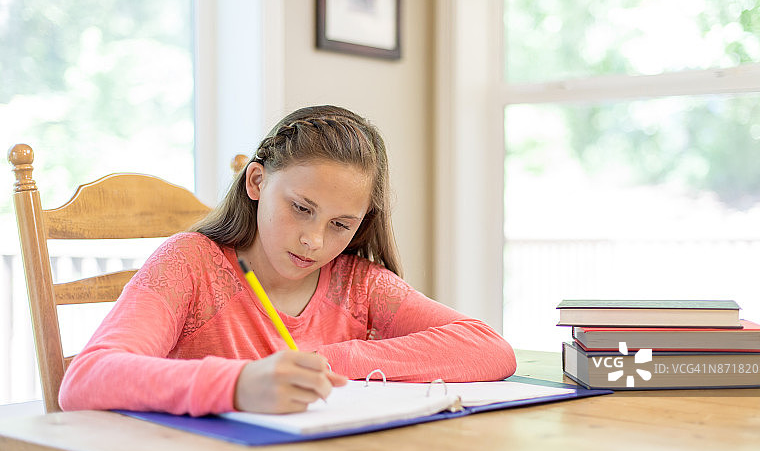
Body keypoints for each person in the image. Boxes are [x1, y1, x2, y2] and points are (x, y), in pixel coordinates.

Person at [59, 105, 517, 416]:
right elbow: (86, 379)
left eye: (341, 224)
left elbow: (489, 349)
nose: (313, 241)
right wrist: (238, 385)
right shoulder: (191, 264)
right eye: (301, 208)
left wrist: (333, 359)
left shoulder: (358, 284)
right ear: (256, 182)